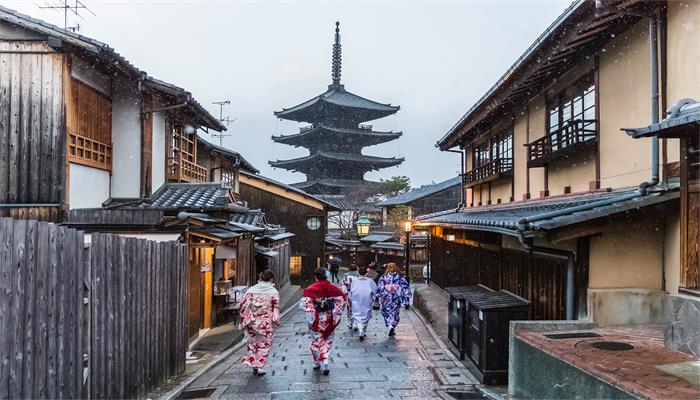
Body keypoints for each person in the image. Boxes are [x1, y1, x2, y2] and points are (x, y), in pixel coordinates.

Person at [299, 268, 347, 375]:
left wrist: (312, 315)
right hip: (329, 318)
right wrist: (334, 311)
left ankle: (316, 362)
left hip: (316, 318)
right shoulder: (333, 288)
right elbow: (342, 300)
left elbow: (305, 305)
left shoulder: (310, 289)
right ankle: (325, 360)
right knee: (327, 339)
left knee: (316, 339)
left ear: (315, 277)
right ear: (326, 276)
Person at [239, 270, 280, 376]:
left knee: (253, 343)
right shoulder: (273, 292)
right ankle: (259, 365)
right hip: (266, 323)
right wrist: (275, 319)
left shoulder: (251, 290)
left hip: (252, 321)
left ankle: (254, 363)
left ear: (260, 278)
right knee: (264, 344)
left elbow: (244, 306)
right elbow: (276, 307)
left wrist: (246, 321)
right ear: (271, 279)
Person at [376, 262, 411, 337]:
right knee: (395, 313)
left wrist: (378, 295)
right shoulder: (400, 277)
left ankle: (389, 325)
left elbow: (380, 287)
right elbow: (405, 287)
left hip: (386, 298)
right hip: (396, 298)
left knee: (385, 312)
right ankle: (393, 325)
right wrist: (406, 299)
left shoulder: (384, 277)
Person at [349, 266, 377, 341]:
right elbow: (375, 290)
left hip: (356, 299)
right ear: (366, 273)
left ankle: (360, 329)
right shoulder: (370, 281)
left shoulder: (354, 281)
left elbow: (351, 290)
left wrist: (351, 298)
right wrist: (374, 298)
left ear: (358, 272)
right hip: (367, 299)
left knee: (357, 315)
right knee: (366, 314)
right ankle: (362, 330)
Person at [341, 264, 360, 329]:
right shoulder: (358, 275)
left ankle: (351, 323)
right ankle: (356, 323)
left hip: (349, 294)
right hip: (357, 294)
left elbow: (344, 284)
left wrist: (345, 293)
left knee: (349, 309)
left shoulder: (346, 275)